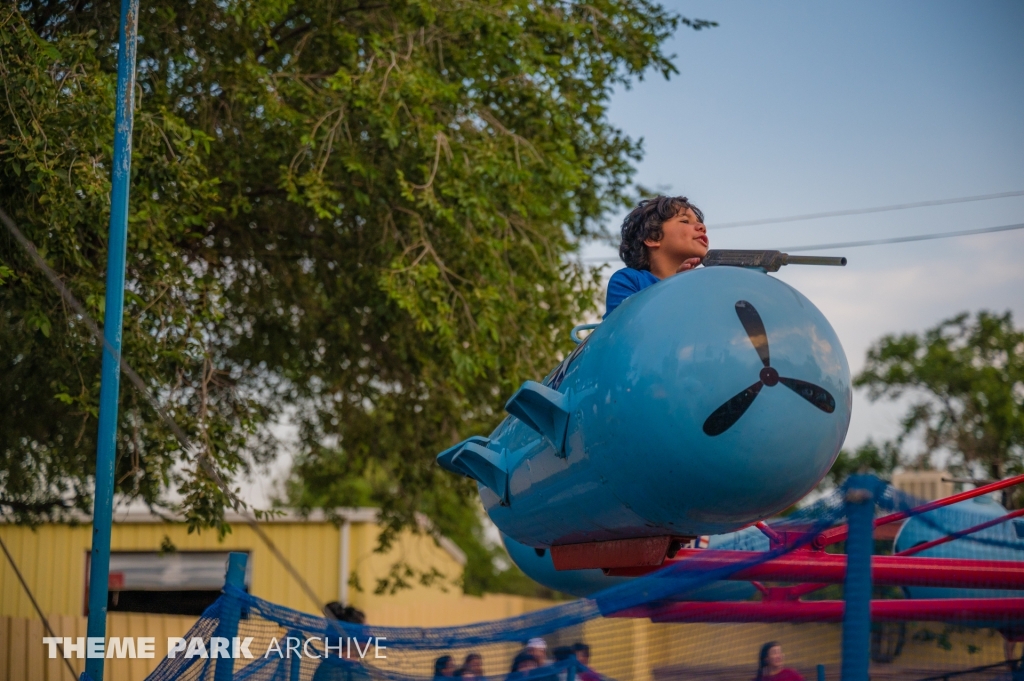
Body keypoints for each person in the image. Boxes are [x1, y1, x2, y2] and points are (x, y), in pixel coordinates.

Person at [605, 196, 709, 319]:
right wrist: (676, 288)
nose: (702, 227)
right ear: (653, 237)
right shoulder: (629, 280)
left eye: (699, 222)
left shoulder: (703, 289)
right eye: (685, 221)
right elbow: (626, 325)